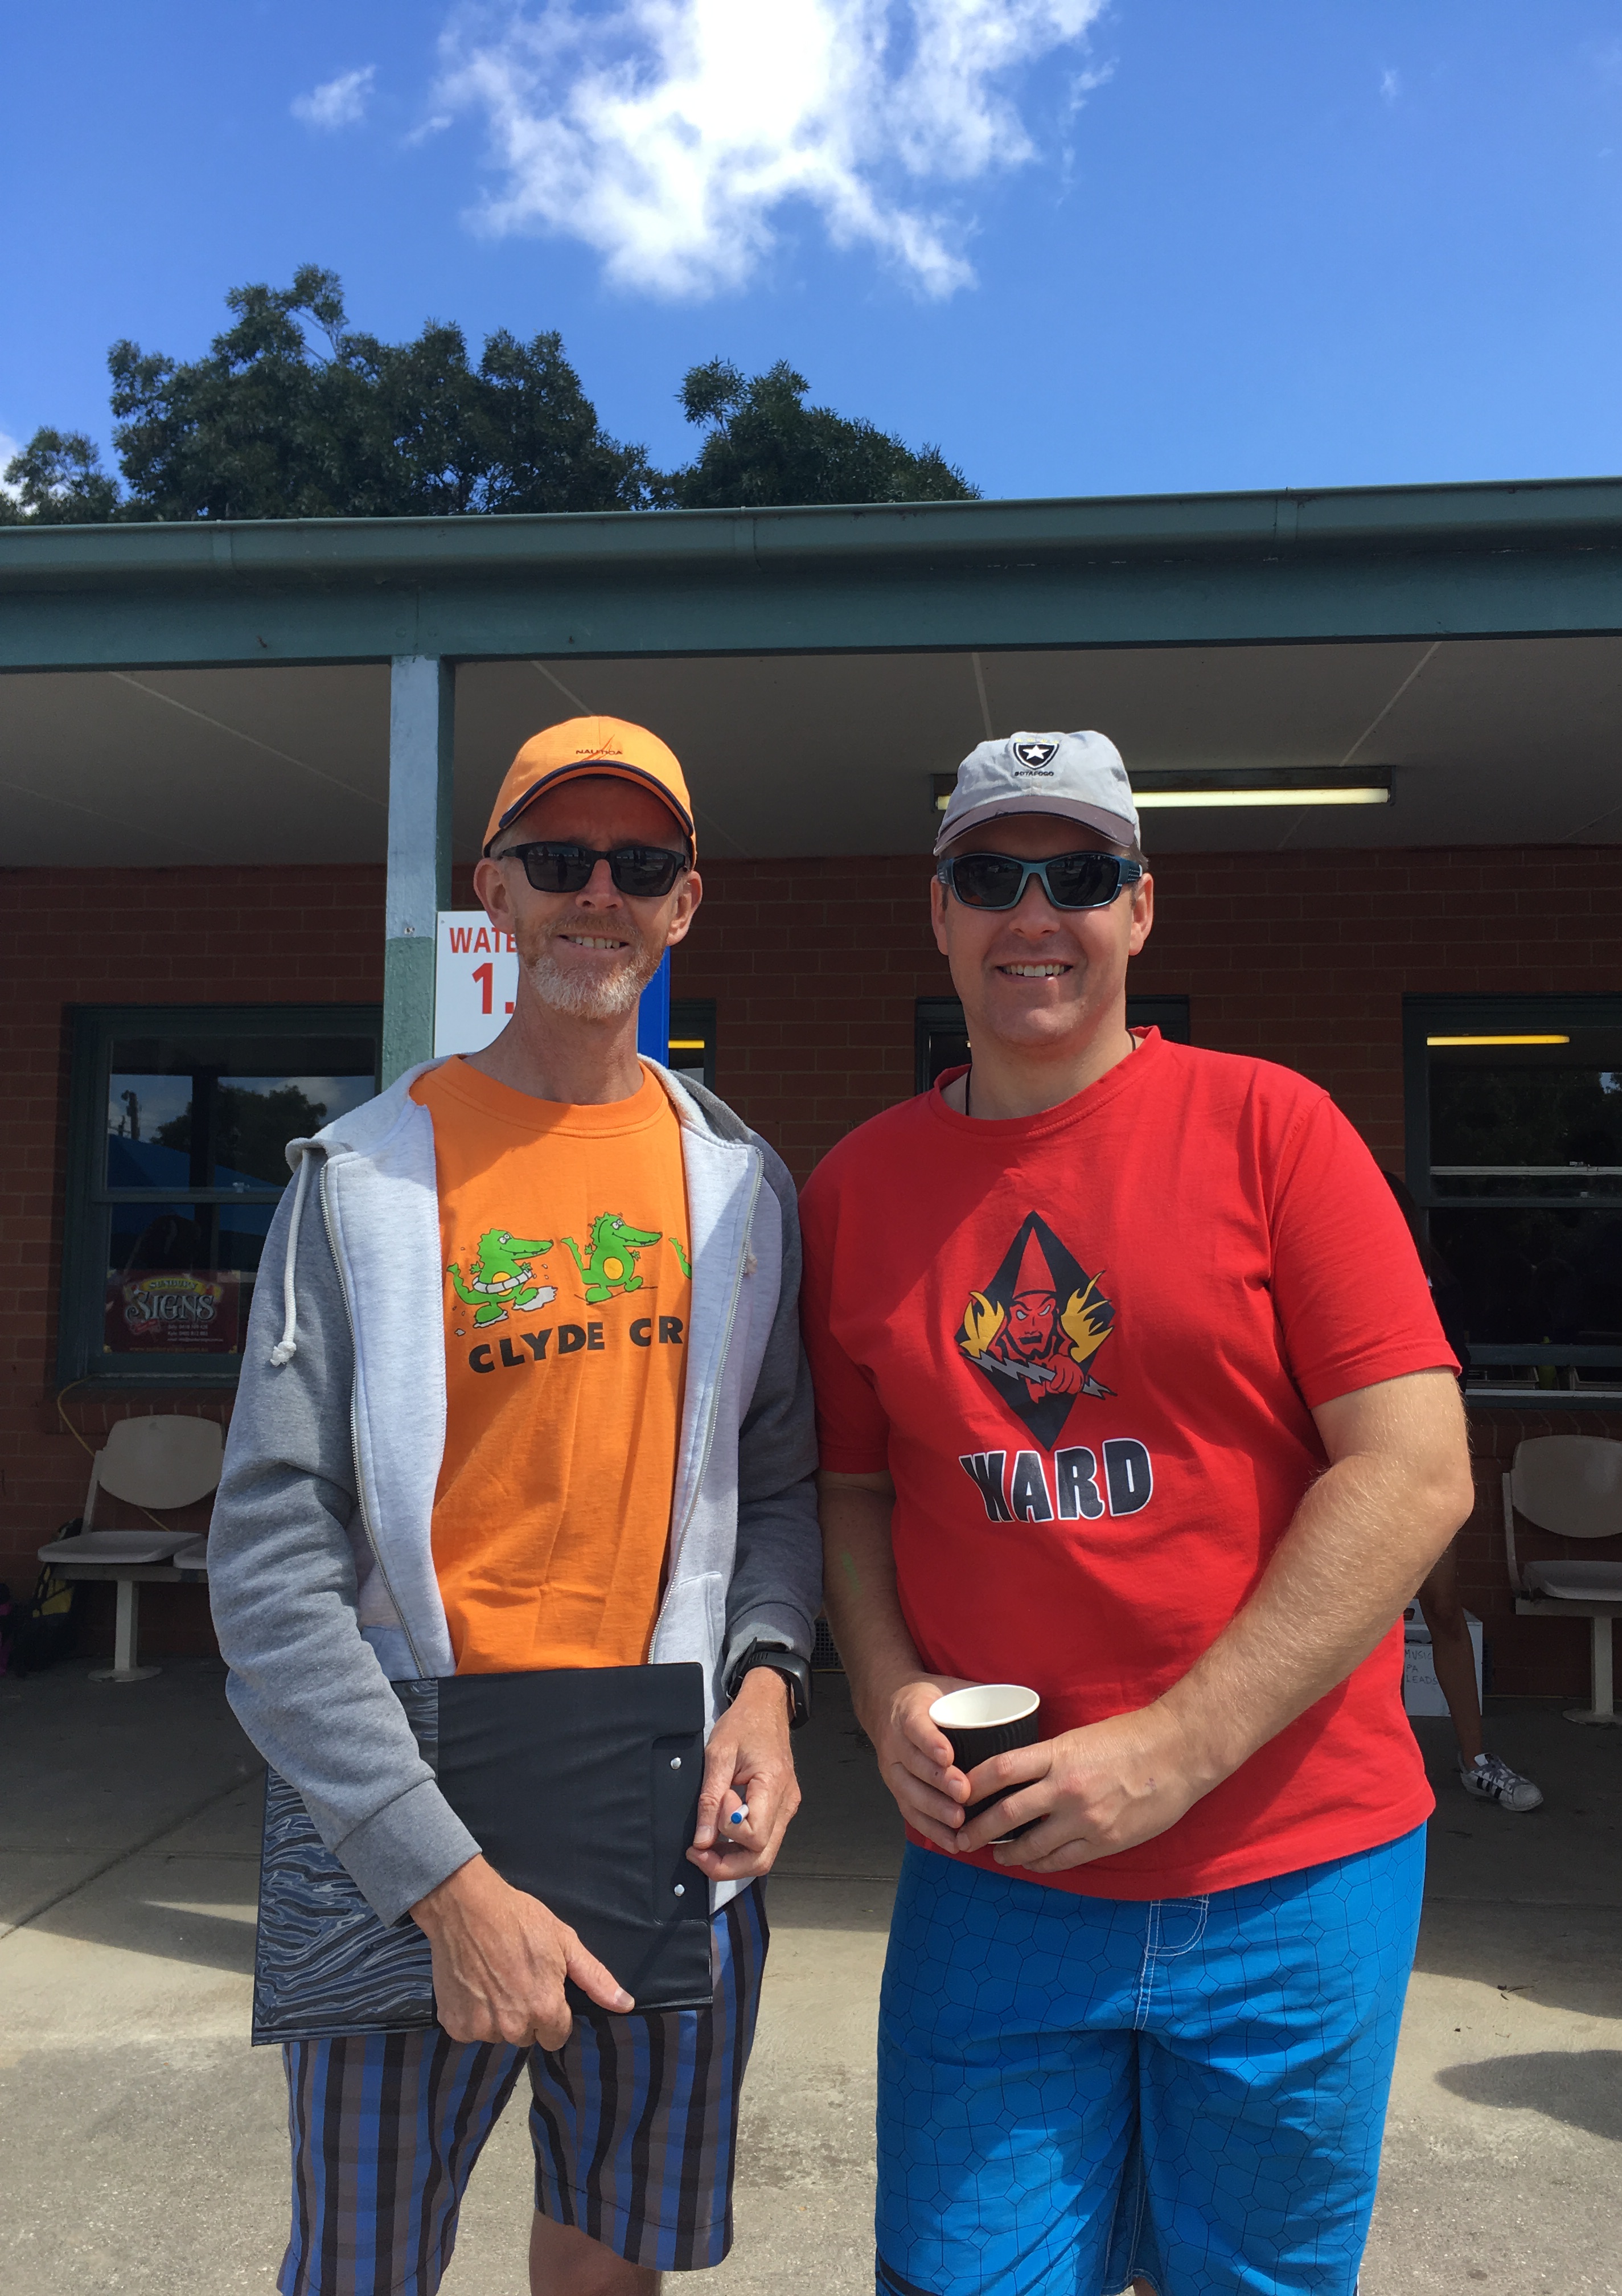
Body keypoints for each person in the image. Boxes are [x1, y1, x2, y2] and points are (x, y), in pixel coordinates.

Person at [800, 729, 1475, 2296]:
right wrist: (884, 1688)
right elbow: (851, 1482)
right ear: (939, 914)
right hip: (997, 1874)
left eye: (1082, 876)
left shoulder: (1273, 1129)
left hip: (1294, 1869)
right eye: (991, 878)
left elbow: (1416, 1466)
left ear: (1142, 910)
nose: (1035, 914)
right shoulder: (856, 1189)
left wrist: (1175, 1748)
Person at [209, 716, 820, 2296]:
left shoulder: (744, 1191)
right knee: (360, 2267)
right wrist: (442, 1882)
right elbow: (271, 1569)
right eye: (559, 860)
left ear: (685, 902)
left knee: (614, 2262)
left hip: (663, 1814)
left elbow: (776, 1487)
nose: (598, 894)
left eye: (641, 864)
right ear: (494, 892)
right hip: (407, 1817)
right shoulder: (358, 1180)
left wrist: (768, 1687)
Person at [1380, 1171, 1543, 1814]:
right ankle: (1358, 1777)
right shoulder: (1318, 1280)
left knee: (1443, 1609)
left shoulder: (1435, 1290)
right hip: (1344, 1477)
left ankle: (1475, 1760)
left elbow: (1452, 1383)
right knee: (1358, 1624)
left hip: (1419, 1470)